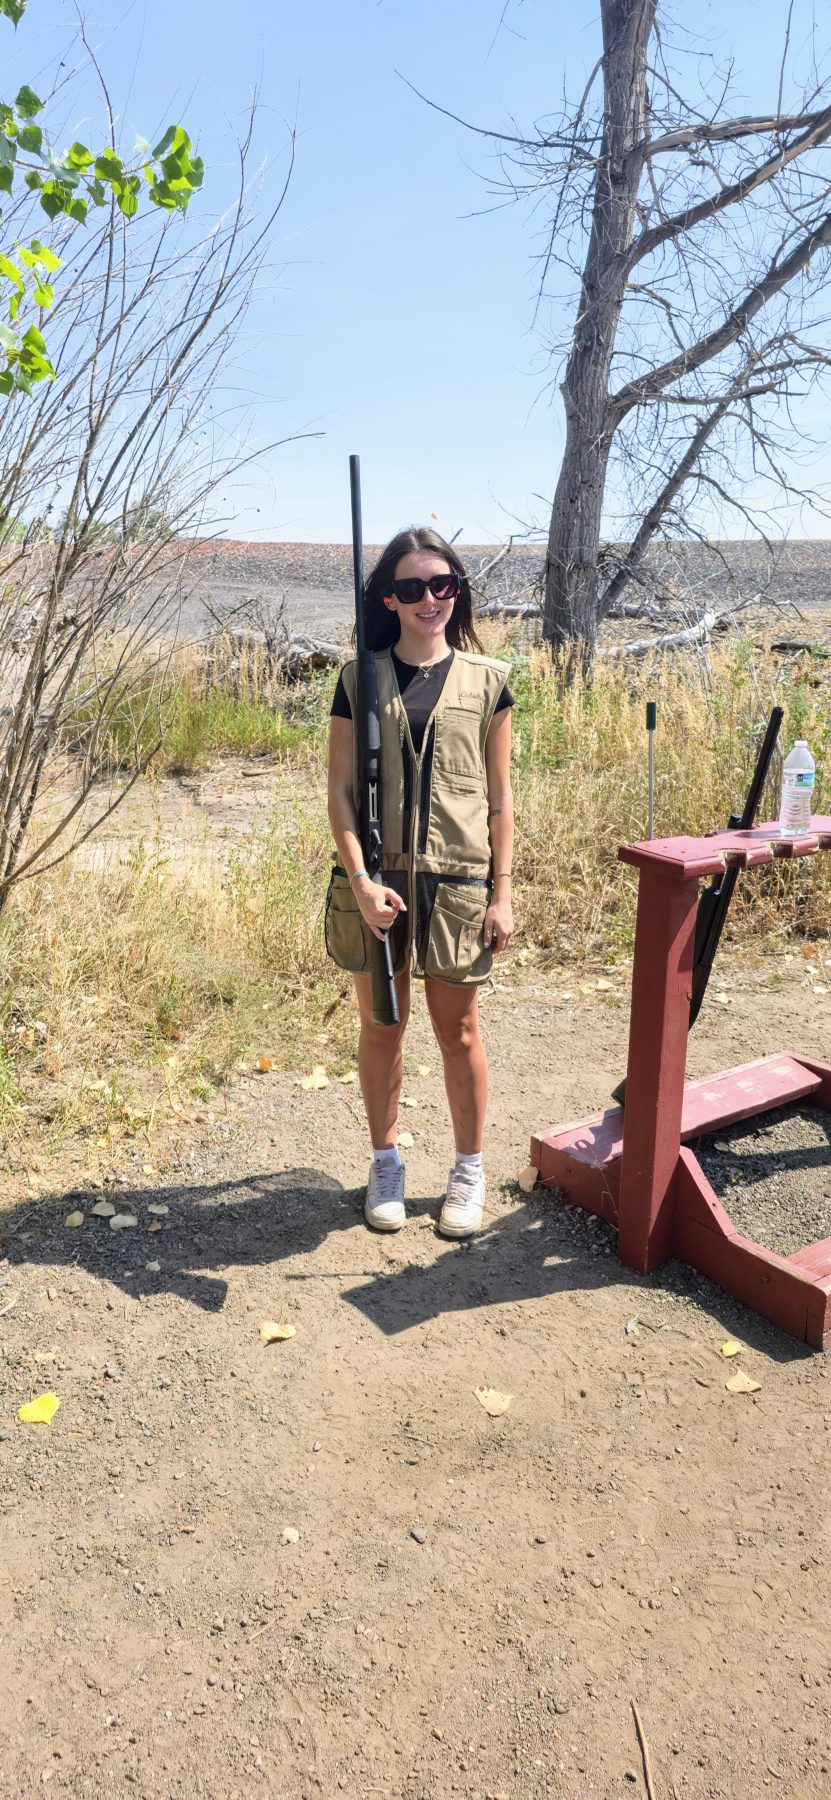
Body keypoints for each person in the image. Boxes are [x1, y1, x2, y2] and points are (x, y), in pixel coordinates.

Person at [326, 525, 514, 1239]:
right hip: (379, 886)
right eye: (412, 588)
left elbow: (500, 798)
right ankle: (386, 1163)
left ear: (455, 591)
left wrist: (502, 892)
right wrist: (360, 881)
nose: (429, 598)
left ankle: (468, 1170)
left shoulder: (487, 679)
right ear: (389, 598)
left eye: (441, 585)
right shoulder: (357, 679)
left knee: (458, 1031)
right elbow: (341, 793)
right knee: (383, 1027)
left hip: (459, 883)